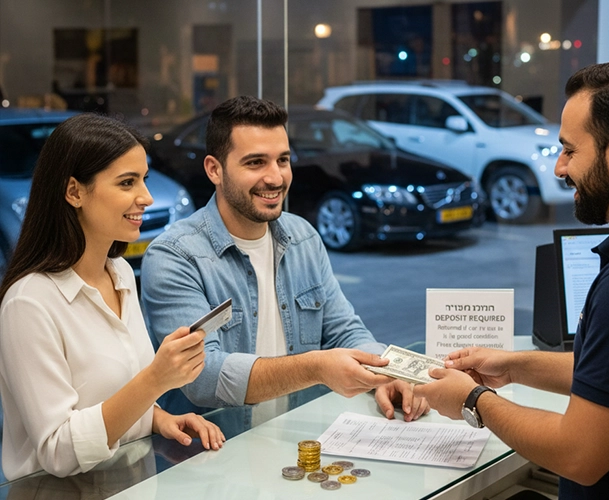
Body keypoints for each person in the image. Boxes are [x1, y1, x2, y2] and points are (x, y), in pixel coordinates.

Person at [414, 59, 609, 498]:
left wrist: (473, 401)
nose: (559, 169)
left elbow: (578, 456)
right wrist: (512, 366)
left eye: (569, 150)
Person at [140, 95, 428, 437]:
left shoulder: (302, 237)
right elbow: (203, 377)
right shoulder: (174, 256)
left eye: (283, 160)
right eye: (256, 163)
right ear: (214, 170)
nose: (275, 178)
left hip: (297, 442)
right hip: (214, 459)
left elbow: (344, 330)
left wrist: (389, 374)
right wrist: (317, 367)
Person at [0, 114, 225, 481]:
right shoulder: (29, 303)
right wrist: (156, 380)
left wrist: (157, 418)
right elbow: (58, 451)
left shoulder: (118, 272)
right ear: (74, 192)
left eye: (144, 179)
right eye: (127, 182)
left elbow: (112, 393)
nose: (147, 198)